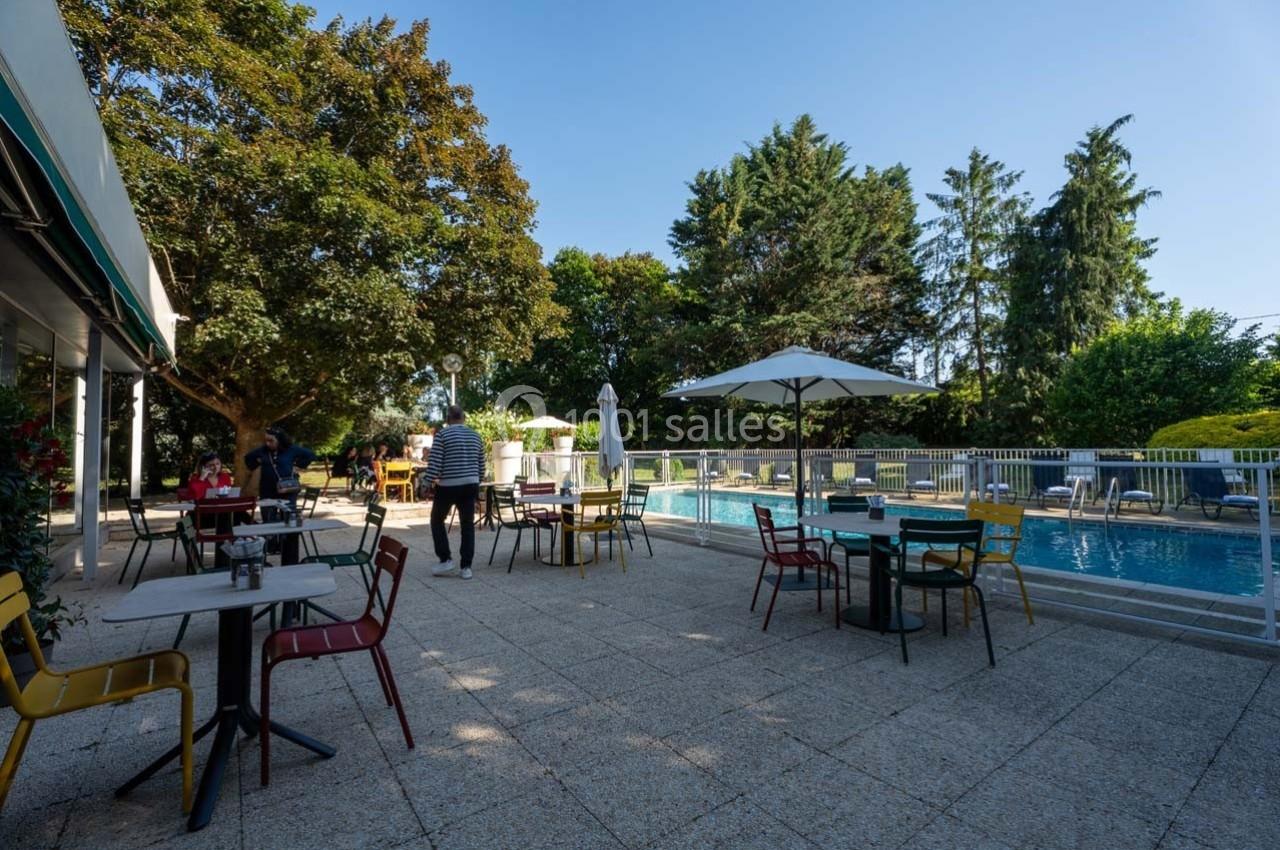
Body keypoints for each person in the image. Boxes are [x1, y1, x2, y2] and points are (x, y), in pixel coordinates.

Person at [426, 405, 484, 579]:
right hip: (471, 484)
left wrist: (427, 482)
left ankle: (445, 559)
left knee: (437, 520)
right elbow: (481, 465)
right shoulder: (475, 436)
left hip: (448, 485)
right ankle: (466, 567)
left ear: (447, 419)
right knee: (467, 525)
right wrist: (476, 481)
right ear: (464, 418)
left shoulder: (442, 435)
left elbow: (435, 463)